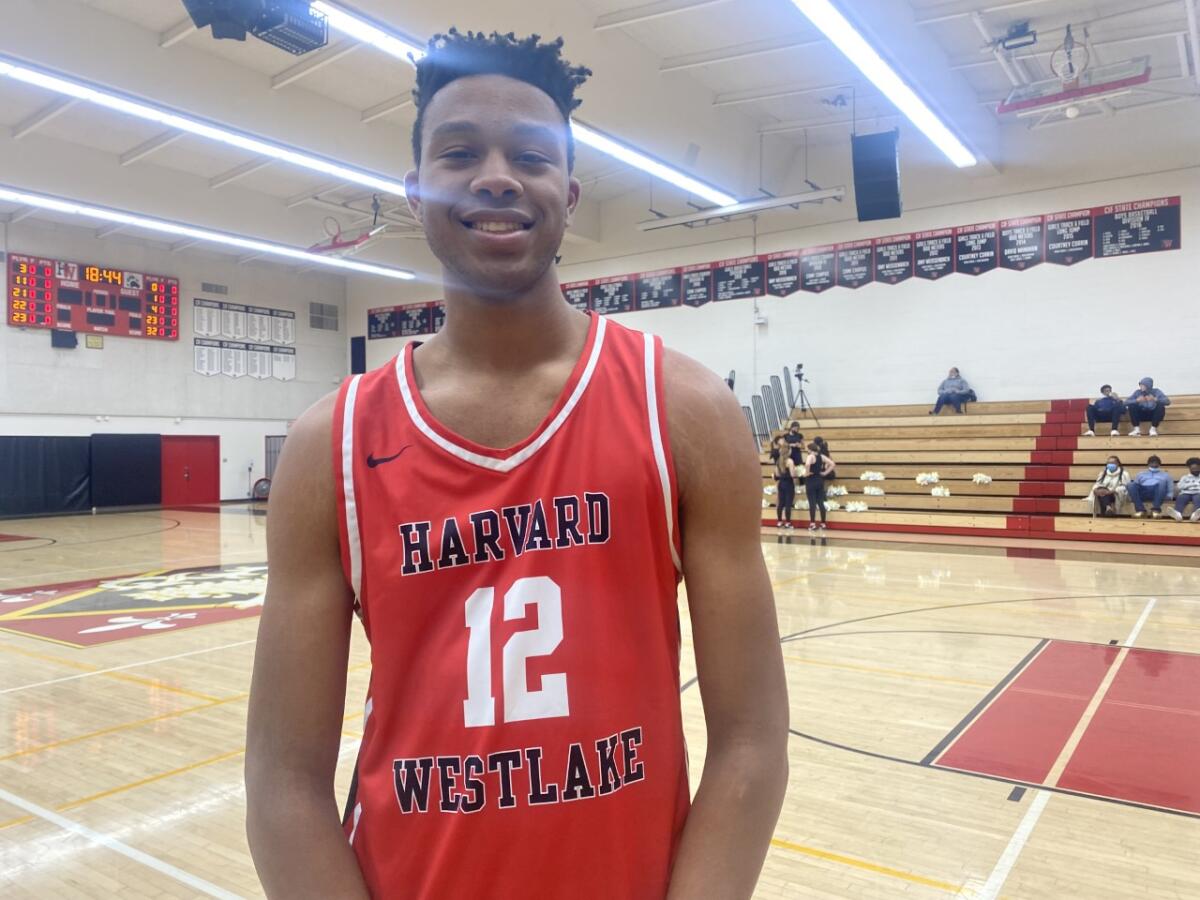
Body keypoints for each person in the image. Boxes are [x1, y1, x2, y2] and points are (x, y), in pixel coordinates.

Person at [244, 31, 788, 900]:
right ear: (415, 189)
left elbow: (753, 739)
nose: (496, 175)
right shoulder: (330, 444)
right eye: (459, 152)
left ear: (567, 196)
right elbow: (282, 781)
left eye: (529, 156)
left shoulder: (685, 412)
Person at [803, 440, 836, 531]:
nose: (807, 451)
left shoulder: (810, 456)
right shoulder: (821, 456)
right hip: (819, 480)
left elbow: (807, 464)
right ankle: (823, 523)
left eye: (807, 449)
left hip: (811, 480)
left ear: (810, 449)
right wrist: (825, 473)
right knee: (820, 502)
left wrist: (807, 472)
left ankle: (813, 524)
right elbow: (833, 464)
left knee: (812, 502)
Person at [772, 436, 798, 529]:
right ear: (789, 451)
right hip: (788, 483)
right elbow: (792, 474)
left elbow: (777, 474)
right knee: (788, 503)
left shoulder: (778, 461)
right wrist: (796, 474)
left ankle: (779, 521)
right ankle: (788, 522)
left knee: (780, 503)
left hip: (781, 483)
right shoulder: (790, 461)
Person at [1166, 457, 1200, 522]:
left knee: (1198, 498)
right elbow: (1179, 486)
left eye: (1197, 469)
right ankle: (1178, 514)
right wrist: (1190, 485)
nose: (1195, 470)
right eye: (1193, 469)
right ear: (1190, 469)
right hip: (1186, 493)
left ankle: (1195, 515)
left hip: (1198, 493)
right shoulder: (1185, 477)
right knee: (1180, 498)